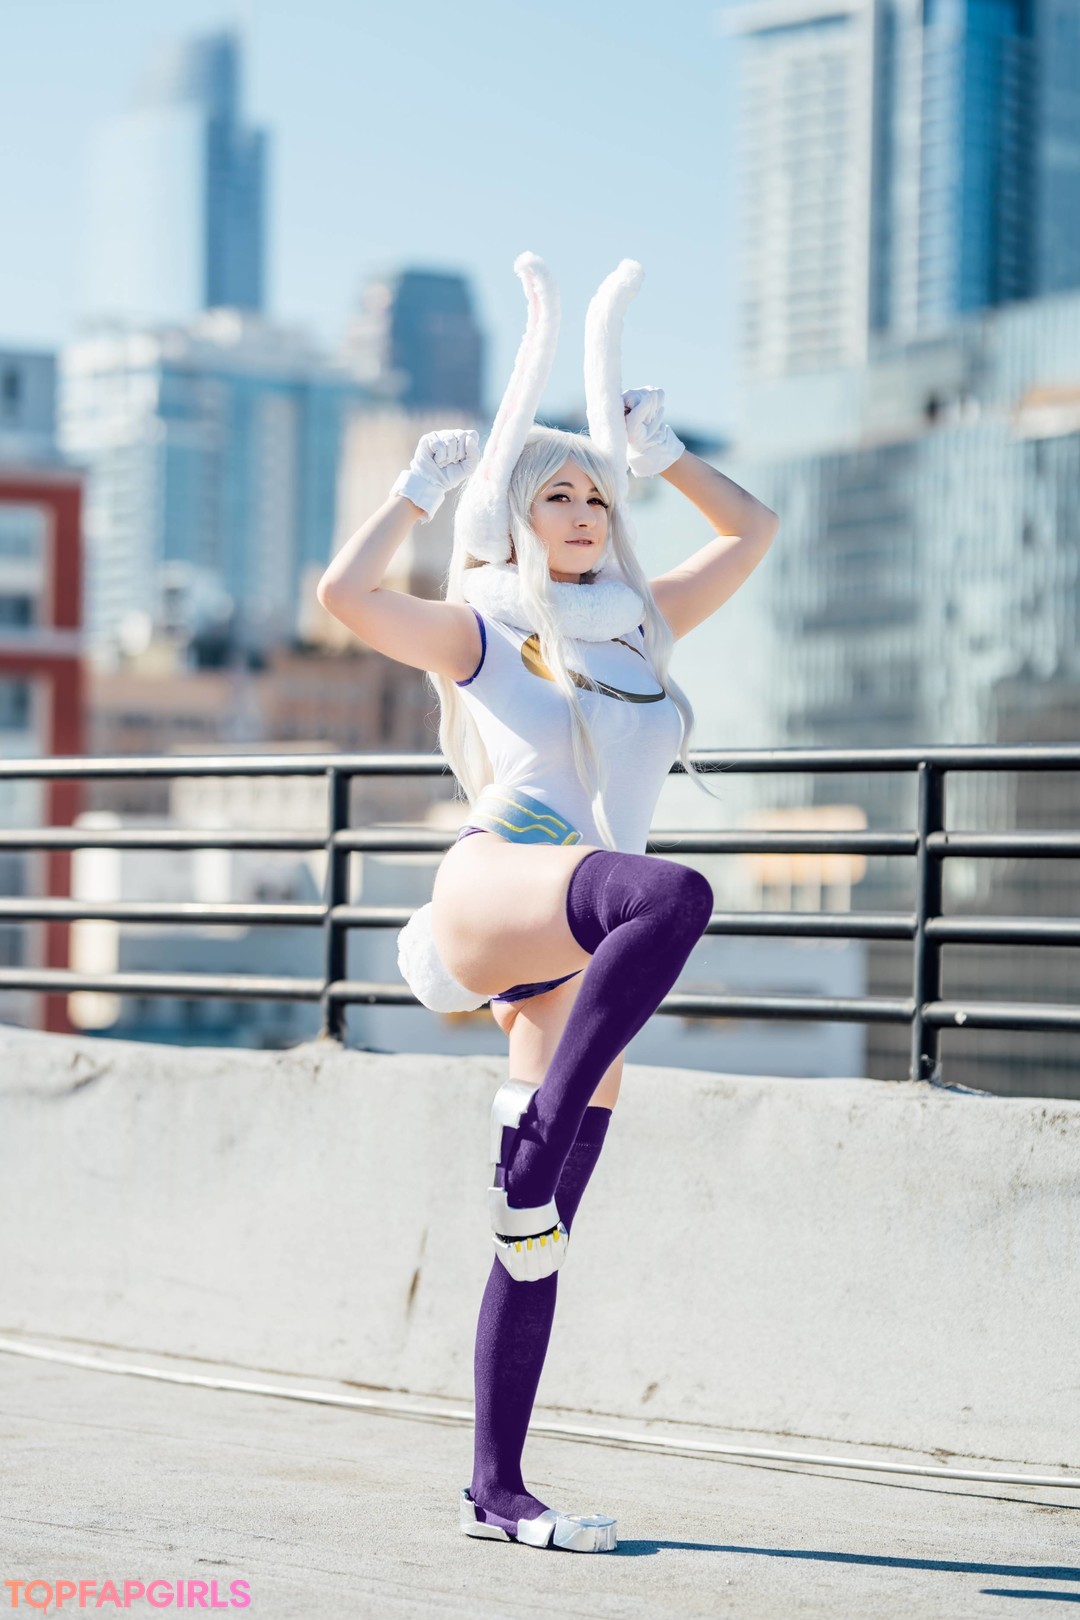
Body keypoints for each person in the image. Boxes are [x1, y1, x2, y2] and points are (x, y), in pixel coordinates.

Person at [316, 253, 779, 1554]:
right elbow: (344, 601)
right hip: (501, 879)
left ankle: (497, 1489)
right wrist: (417, 492)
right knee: (675, 895)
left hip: (580, 945)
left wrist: (666, 454)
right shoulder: (486, 629)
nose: (581, 511)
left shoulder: (641, 628)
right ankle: (532, 1139)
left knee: (539, 1235)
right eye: (555, 494)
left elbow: (753, 531)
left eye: (596, 495)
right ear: (515, 517)